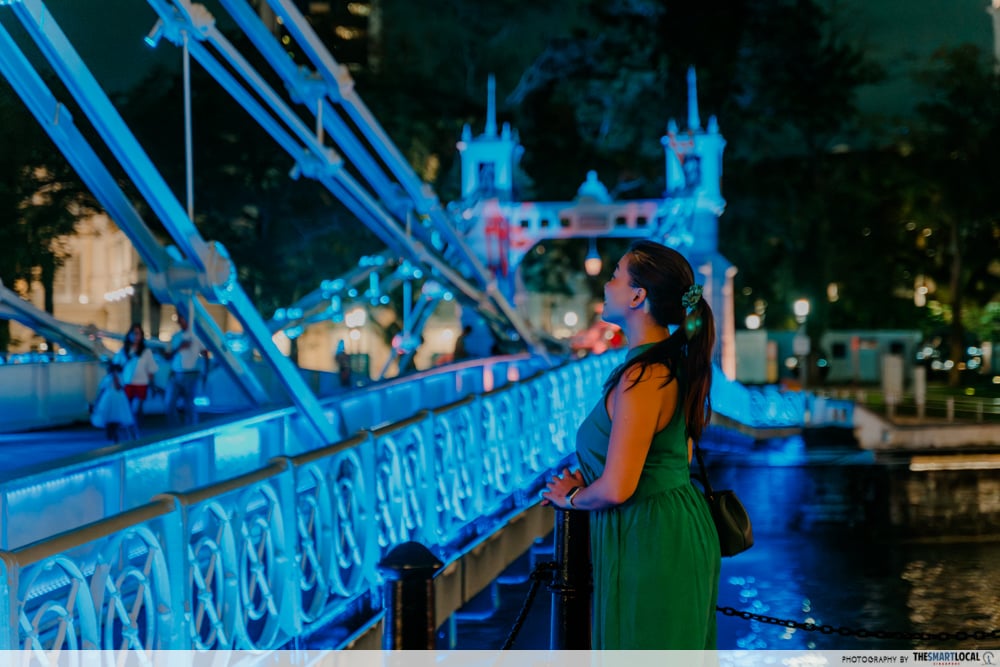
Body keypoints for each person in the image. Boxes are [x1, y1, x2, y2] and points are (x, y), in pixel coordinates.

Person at [543, 239, 721, 649]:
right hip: (668, 526)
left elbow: (619, 487)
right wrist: (587, 479)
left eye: (615, 275)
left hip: (651, 539)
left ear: (638, 295)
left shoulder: (644, 376)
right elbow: (675, 456)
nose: (606, 285)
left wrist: (572, 498)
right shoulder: (667, 364)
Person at [112, 323, 159, 427]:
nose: (135, 336)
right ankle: (130, 430)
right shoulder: (123, 351)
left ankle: (135, 430)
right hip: (127, 383)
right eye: (133, 333)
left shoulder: (146, 352)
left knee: (137, 408)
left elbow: (151, 369)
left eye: (138, 334)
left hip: (141, 383)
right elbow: (115, 366)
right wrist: (116, 381)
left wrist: (152, 384)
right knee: (127, 408)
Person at [165, 313, 206, 426]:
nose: (180, 320)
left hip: (192, 374)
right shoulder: (175, 337)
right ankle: (176, 431)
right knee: (169, 404)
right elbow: (168, 356)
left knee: (190, 406)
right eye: (180, 318)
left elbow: (205, 353)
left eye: (182, 317)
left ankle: (191, 432)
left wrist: (204, 373)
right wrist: (179, 348)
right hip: (175, 374)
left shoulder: (196, 336)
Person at [90, 360, 136, 443]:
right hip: (109, 399)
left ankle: (126, 437)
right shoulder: (109, 378)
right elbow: (102, 390)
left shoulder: (119, 377)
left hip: (116, 399)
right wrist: (97, 402)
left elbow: (119, 387)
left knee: (118, 419)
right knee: (111, 419)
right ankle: (114, 437)